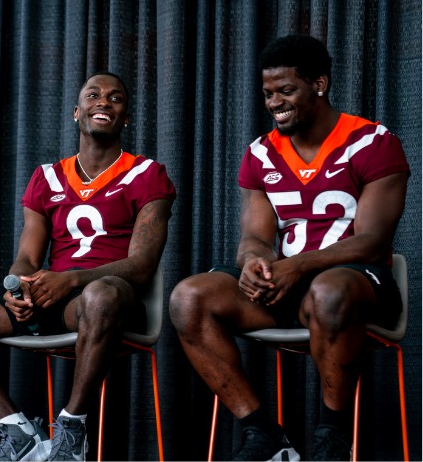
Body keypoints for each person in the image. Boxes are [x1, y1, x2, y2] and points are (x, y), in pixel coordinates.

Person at [169, 35, 409, 462]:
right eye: (268, 93)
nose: (274, 102)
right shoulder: (261, 153)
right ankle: (263, 435)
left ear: (319, 84)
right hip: (286, 289)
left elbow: (373, 241)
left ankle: (333, 439)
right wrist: (253, 262)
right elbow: (255, 237)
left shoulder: (373, 141)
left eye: (285, 90)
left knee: (329, 290)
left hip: (357, 288)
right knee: (189, 298)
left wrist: (296, 266)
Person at [0, 72, 175, 462]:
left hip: (108, 301)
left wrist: (70, 279)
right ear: (76, 112)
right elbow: (27, 257)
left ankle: (72, 429)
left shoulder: (148, 173)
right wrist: (20, 284)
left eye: (115, 98)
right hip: (53, 298)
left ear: (126, 118)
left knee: (100, 296)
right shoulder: (46, 177)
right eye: (93, 95)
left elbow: (141, 266)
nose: (103, 101)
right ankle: (17, 430)